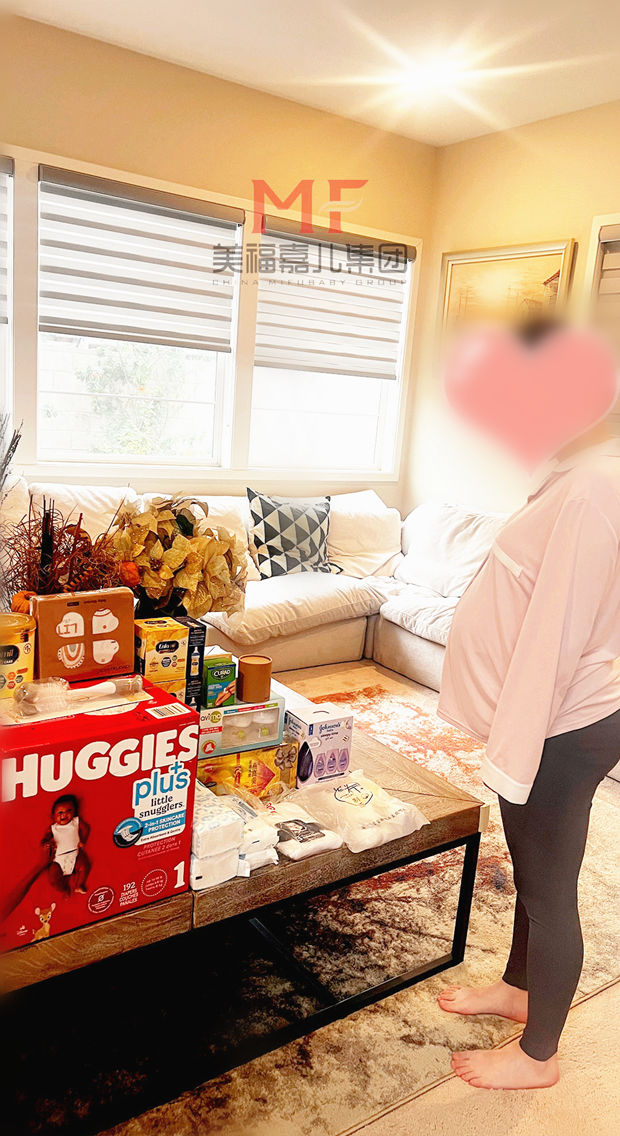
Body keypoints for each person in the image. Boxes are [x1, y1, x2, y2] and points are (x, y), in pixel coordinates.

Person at [436, 323, 620, 1090]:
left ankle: (538, 1055)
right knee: (534, 866)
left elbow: (555, 631)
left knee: (549, 887)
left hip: (564, 724)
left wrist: (514, 755)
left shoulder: (595, 487)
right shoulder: (577, 474)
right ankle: (519, 991)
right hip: (561, 716)